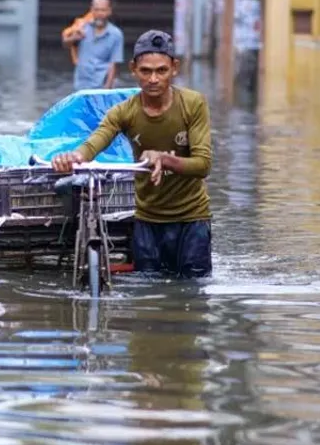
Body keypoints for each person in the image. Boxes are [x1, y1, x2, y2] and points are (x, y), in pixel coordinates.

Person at [52, 30, 212, 278]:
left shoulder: (193, 104)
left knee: (193, 294)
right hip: (147, 220)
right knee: (147, 291)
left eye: (161, 70)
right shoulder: (124, 112)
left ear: (174, 69)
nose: (154, 79)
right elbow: (94, 143)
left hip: (192, 220)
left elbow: (203, 165)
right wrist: (73, 157)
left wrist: (164, 158)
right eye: (146, 71)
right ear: (133, 69)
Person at [61, 0, 124, 91]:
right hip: (81, 84)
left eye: (103, 10)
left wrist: (107, 88)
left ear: (109, 11)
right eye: (97, 10)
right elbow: (66, 44)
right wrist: (75, 37)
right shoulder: (82, 27)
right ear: (91, 10)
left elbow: (114, 63)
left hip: (101, 83)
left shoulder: (115, 34)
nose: (99, 13)